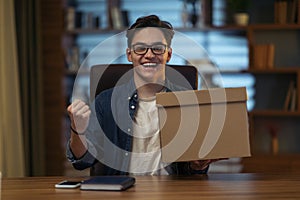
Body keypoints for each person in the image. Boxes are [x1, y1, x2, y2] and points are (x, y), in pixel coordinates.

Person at [66, 15, 219, 176]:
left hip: (173, 193)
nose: (149, 55)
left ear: (169, 54)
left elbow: (192, 167)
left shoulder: (188, 101)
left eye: (158, 48)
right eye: (140, 48)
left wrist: (198, 165)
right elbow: (83, 160)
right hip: (122, 193)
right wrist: (78, 130)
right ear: (129, 54)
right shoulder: (105, 101)